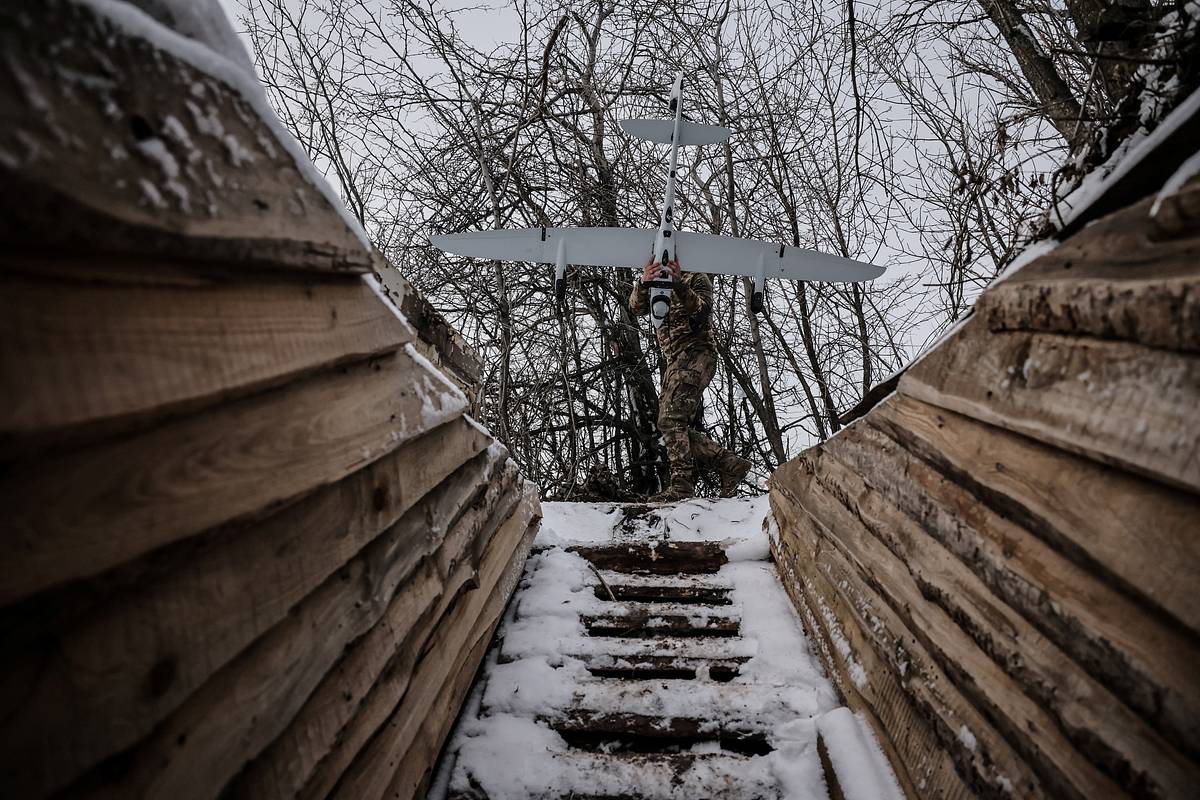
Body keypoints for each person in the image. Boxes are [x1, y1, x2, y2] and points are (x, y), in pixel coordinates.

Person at [629, 257, 752, 502]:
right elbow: (636, 308)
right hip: (675, 360)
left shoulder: (696, 277)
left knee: (670, 419)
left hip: (697, 353)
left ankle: (682, 486)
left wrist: (678, 284)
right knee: (670, 424)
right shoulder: (656, 282)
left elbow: (702, 311)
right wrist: (643, 282)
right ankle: (729, 463)